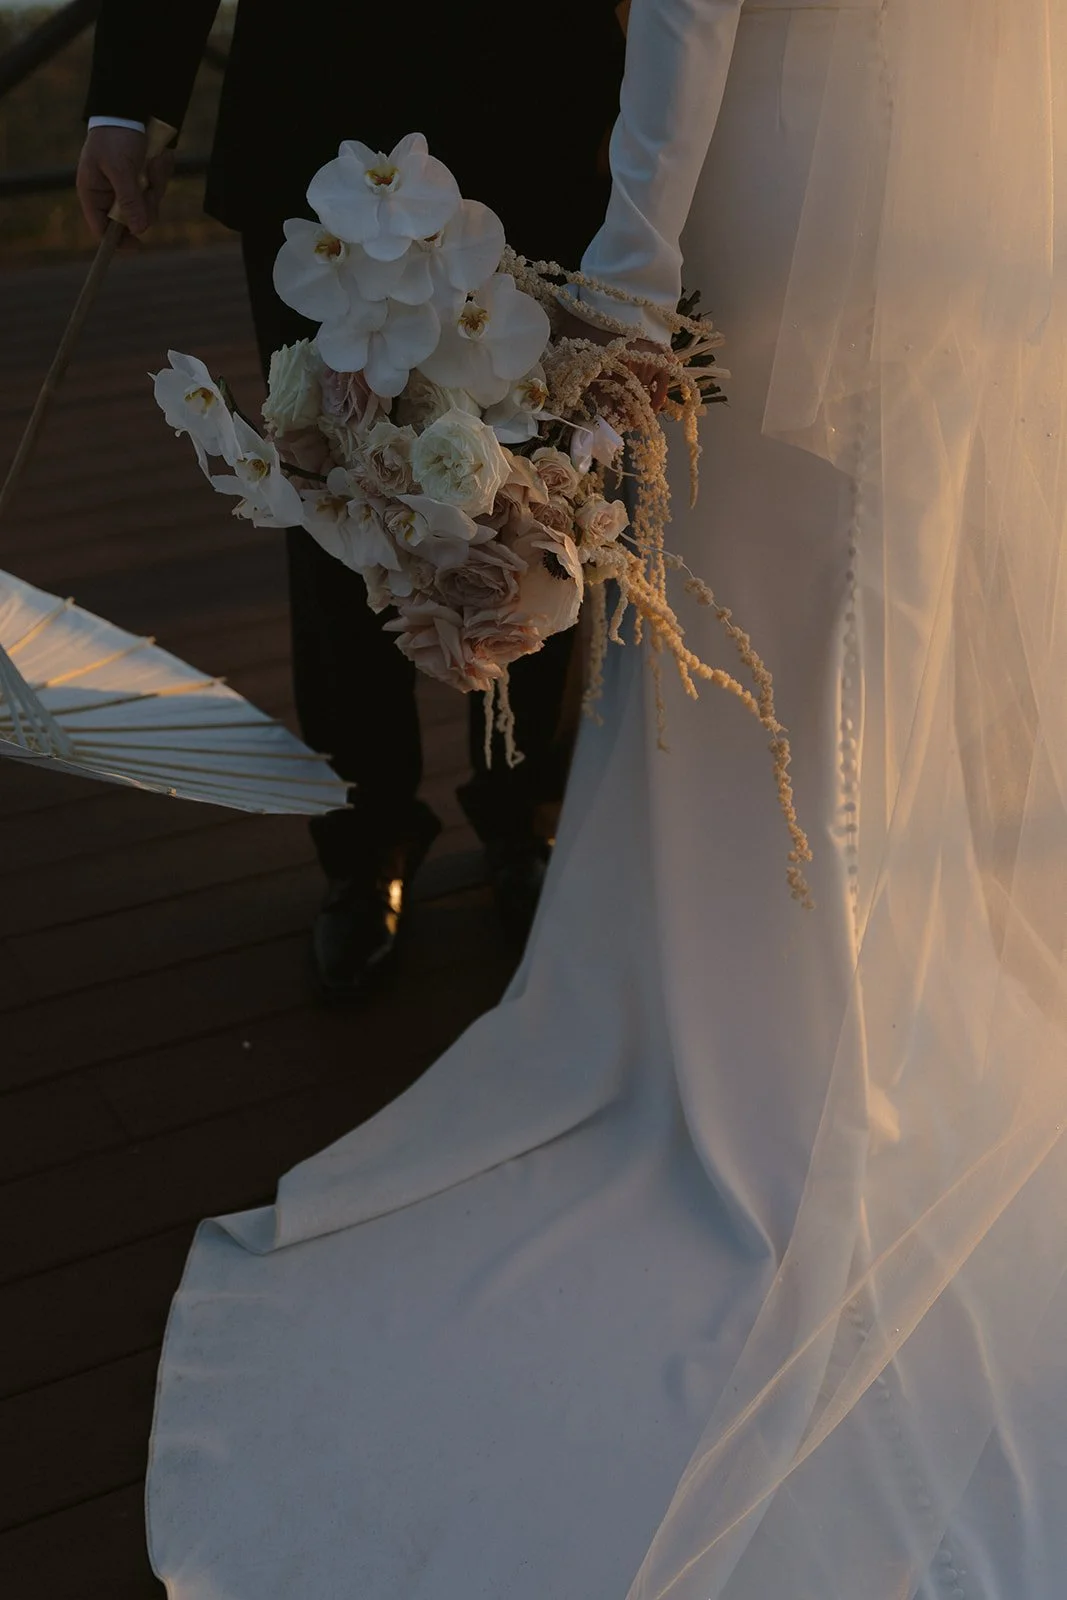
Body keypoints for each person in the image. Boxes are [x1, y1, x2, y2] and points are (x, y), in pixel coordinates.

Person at [144, 0, 1067, 1595]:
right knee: (868, 602)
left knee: (750, 599)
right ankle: (858, 992)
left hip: (765, 201)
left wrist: (626, 278)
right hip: (941, 225)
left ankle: (720, 1009)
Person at [77, 0, 626, 1000]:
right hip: (319, 99)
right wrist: (127, 103)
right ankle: (364, 841)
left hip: (543, 102)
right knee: (335, 499)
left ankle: (527, 815)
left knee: (543, 499)